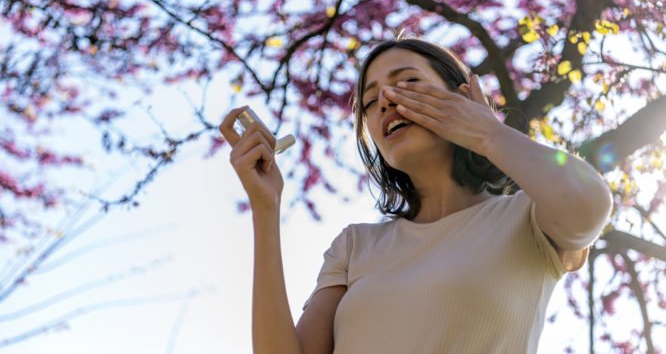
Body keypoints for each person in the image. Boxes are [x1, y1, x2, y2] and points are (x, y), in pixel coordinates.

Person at [218, 38, 612, 354]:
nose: (387, 99)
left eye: (408, 82)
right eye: (371, 102)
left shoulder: (527, 220)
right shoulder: (355, 246)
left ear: (463, 98)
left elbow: (589, 204)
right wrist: (265, 207)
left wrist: (488, 133)